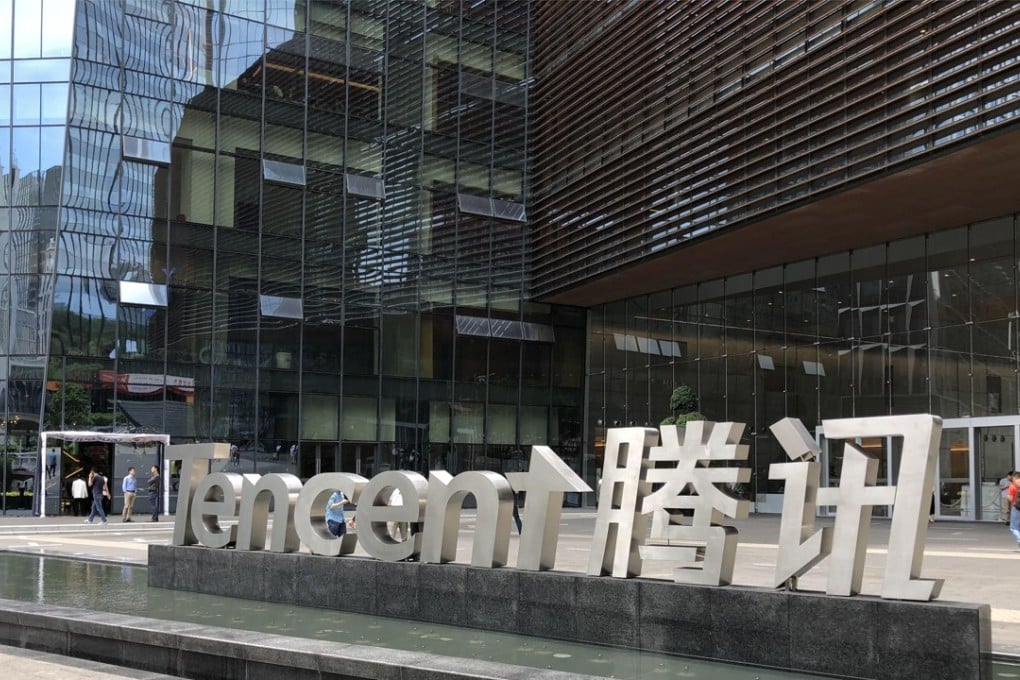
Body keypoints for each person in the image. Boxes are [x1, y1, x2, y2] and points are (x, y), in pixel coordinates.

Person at [1009, 472, 1020, 549]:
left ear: (1015, 477)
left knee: (1014, 528)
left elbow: (1010, 498)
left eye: (1012, 478)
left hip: (1016, 507)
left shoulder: (1013, 486)